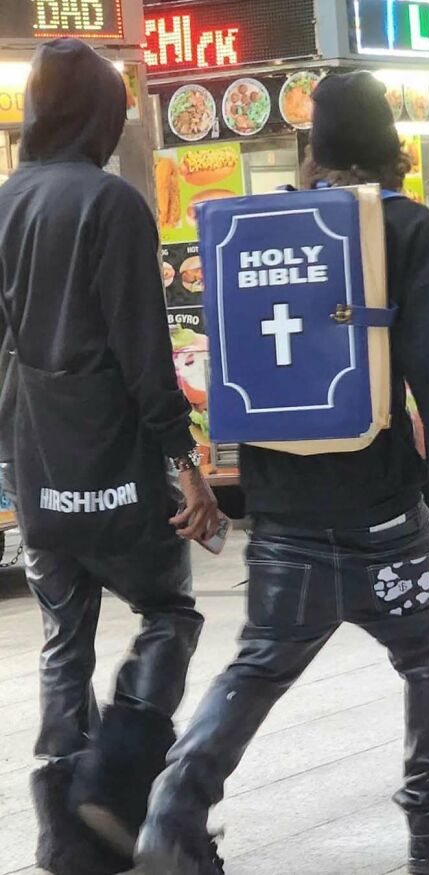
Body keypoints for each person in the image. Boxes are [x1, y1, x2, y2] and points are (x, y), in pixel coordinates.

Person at [136, 71, 429, 875]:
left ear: (315, 146)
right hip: (381, 510)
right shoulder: (401, 225)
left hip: (283, 508)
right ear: (387, 141)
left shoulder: (256, 225)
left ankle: (171, 816)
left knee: (259, 662)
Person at [0, 39, 219, 875]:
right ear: (102, 112)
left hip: (35, 459)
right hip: (114, 463)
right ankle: (119, 766)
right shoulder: (115, 205)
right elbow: (143, 353)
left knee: (64, 635)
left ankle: (62, 825)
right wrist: (188, 466)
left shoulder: (5, 201)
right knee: (169, 612)